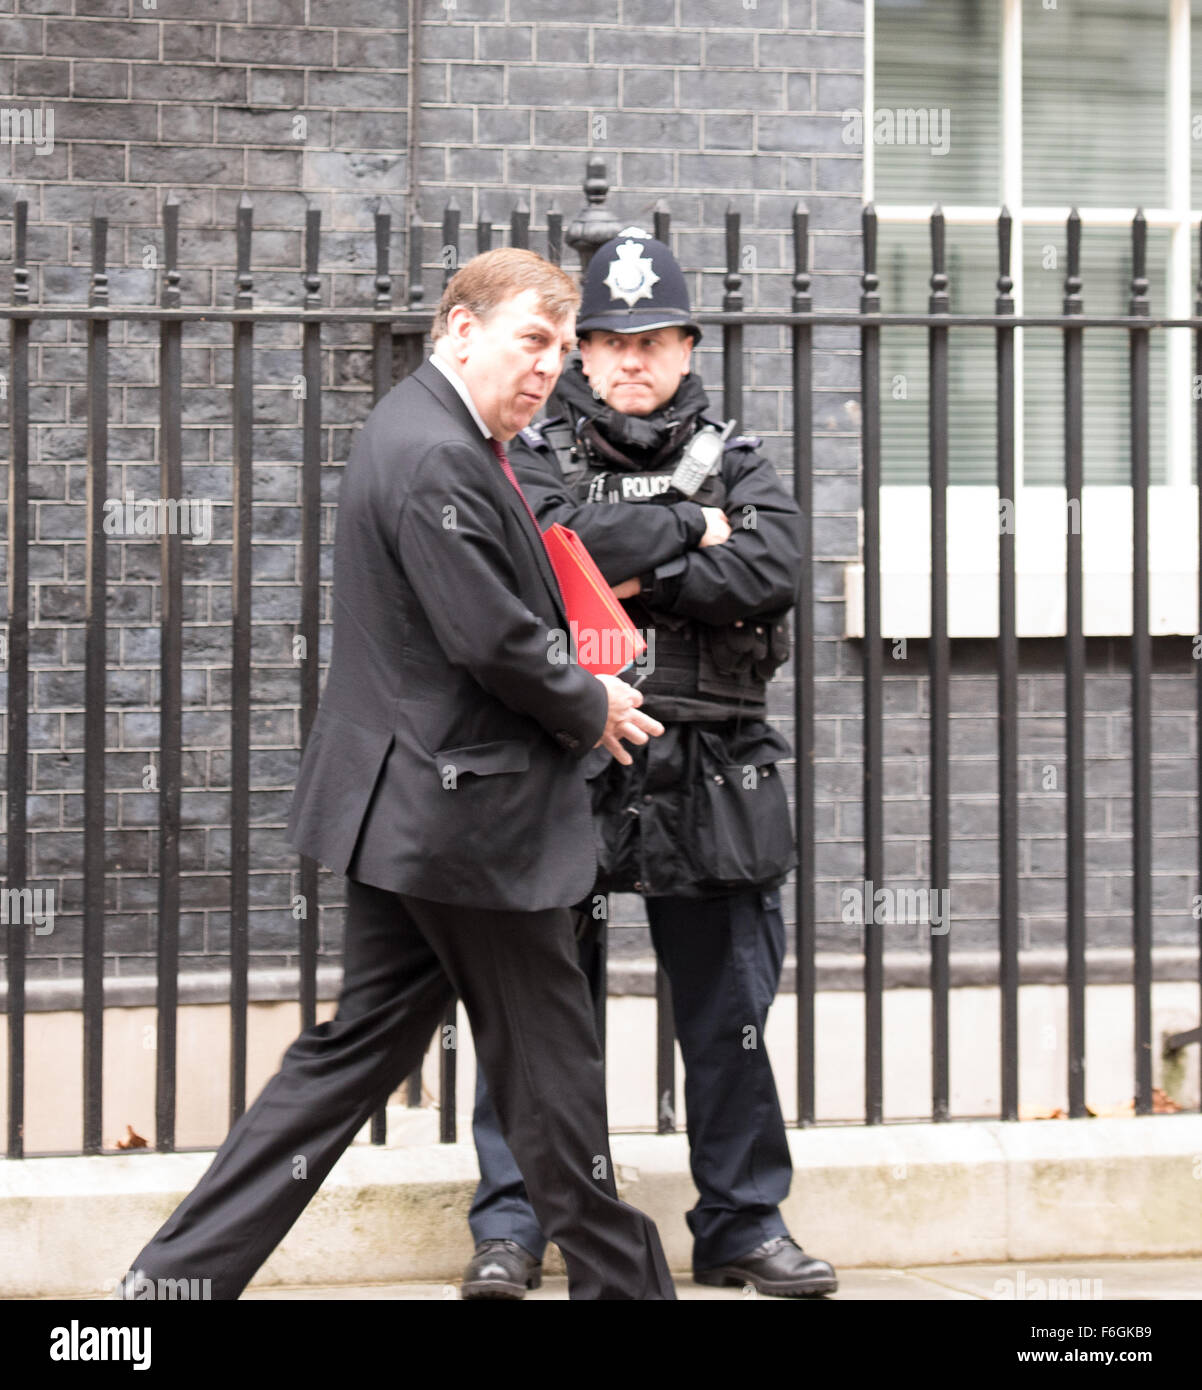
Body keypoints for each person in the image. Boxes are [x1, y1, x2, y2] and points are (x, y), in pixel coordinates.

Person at [114, 247, 676, 1302]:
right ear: (459, 329)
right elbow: (491, 639)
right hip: (472, 831)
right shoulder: (439, 456)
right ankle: (629, 1289)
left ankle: (167, 1286)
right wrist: (589, 701)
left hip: (409, 816)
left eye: (561, 347)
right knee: (552, 1088)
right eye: (531, 340)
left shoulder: (420, 429)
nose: (550, 365)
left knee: (344, 1063)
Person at [460, 230, 837, 1301]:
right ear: (580, 351)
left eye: (653, 340)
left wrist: (626, 562)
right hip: (569, 752)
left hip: (712, 757)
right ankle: (514, 1222)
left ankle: (741, 1223)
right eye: (609, 340)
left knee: (730, 1015)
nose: (630, 359)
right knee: (541, 1015)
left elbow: (771, 566)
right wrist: (689, 532)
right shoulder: (528, 453)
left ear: (685, 346)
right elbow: (539, 550)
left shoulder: (741, 452)